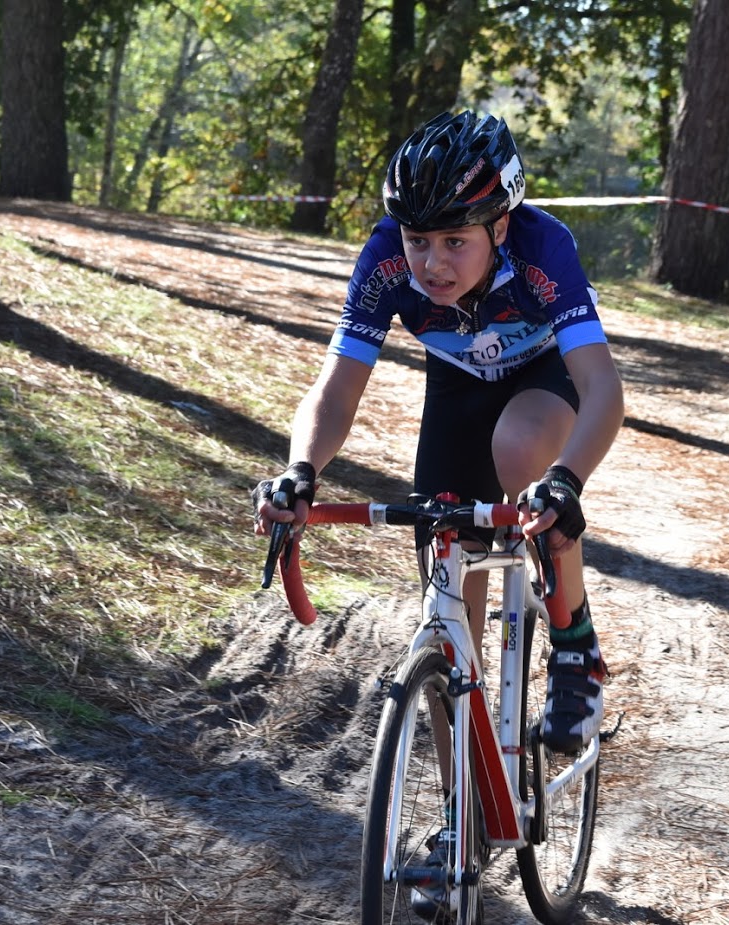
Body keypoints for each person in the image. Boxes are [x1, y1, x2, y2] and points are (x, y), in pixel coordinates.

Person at [254, 110, 624, 755]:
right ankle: (465, 823)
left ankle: (575, 644)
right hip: (457, 391)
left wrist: (566, 483)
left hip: (543, 377)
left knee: (519, 452)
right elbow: (337, 388)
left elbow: (601, 390)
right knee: (451, 612)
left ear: (499, 226)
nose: (432, 263)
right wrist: (301, 471)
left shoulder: (542, 248)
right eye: (418, 240)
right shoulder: (383, 260)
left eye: (456, 240)